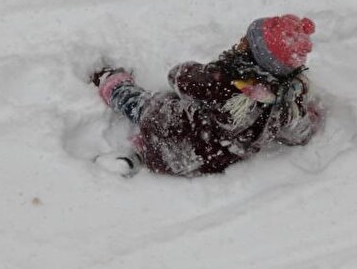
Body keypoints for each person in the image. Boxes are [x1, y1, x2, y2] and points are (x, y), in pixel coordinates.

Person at [90, 14, 322, 177]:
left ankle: (112, 84)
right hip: (212, 160)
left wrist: (201, 71)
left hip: (174, 134)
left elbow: (177, 77)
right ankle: (136, 154)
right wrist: (308, 116)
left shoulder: (221, 82)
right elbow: (298, 134)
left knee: (148, 107)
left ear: (254, 56)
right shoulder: (283, 103)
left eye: (246, 42)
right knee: (197, 135)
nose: (240, 42)